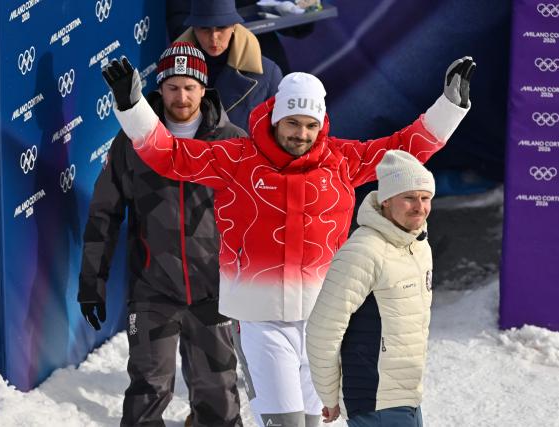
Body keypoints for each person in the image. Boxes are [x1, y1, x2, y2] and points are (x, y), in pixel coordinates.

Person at [100, 54, 475, 427]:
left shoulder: (342, 160)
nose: (301, 134)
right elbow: (170, 156)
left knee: (312, 424)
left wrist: (450, 107)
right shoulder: (238, 158)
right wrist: (132, 107)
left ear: (322, 124)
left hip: (322, 319)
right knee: (286, 423)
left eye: (311, 125)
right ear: (276, 118)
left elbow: (405, 151)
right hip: (262, 322)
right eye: (293, 123)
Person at [78, 42, 246, 427]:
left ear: (204, 89)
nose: (181, 96)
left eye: (190, 87)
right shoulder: (132, 142)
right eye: (173, 87)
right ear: (159, 89)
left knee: (218, 396)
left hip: (214, 294)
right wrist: (92, 281)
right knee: (147, 392)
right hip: (153, 291)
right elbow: (104, 213)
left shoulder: (233, 141)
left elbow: (257, 216)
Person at [306, 150, 437, 426]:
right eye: (409, 197)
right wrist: (329, 396)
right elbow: (323, 329)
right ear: (387, 200)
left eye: (425, 198)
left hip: (407, 396)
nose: (420, 207)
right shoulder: (363, 252)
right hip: (374, 400)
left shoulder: (419, 245)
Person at [172, 0, 283, 132]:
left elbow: (277, 133)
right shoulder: (171, 71)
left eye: (221, 27)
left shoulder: (268, 74)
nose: (213, 37)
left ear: (234, 26)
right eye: (204, 28)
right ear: (193, 29)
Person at [166, 0, 314, 74]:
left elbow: (298, 27)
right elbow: (179, 28)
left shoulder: (271, 72)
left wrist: (305, 7)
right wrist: (222, 28)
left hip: (266, 65)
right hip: (215, 76)